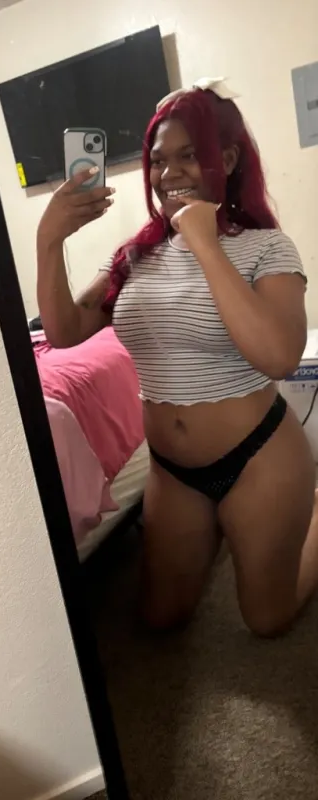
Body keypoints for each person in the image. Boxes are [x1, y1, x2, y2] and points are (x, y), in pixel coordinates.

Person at [36, 82, 318, 638]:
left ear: (226, 160)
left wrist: (205, 243)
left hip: (259, 457)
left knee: (269, 618)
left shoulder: (266, 247)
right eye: (158, 161)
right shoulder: (133, 256)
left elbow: (281, 357)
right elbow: (64, 333)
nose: (168, 174)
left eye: (188, 155)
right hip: (173, 471)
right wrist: (50, 240)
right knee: (160, 618)